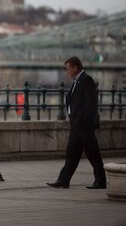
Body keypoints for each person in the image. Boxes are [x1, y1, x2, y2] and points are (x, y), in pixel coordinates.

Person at [47, 56, 106, 189]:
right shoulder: (77, 81)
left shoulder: (86, 80)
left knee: (92, 153)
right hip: (76, 125)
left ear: (75, 67)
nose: (66, 71)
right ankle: (63, 180)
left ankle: (101, 181)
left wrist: (85, 120)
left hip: (84, 125)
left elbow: (91, 104)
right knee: (72, 153)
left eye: (68, 69)